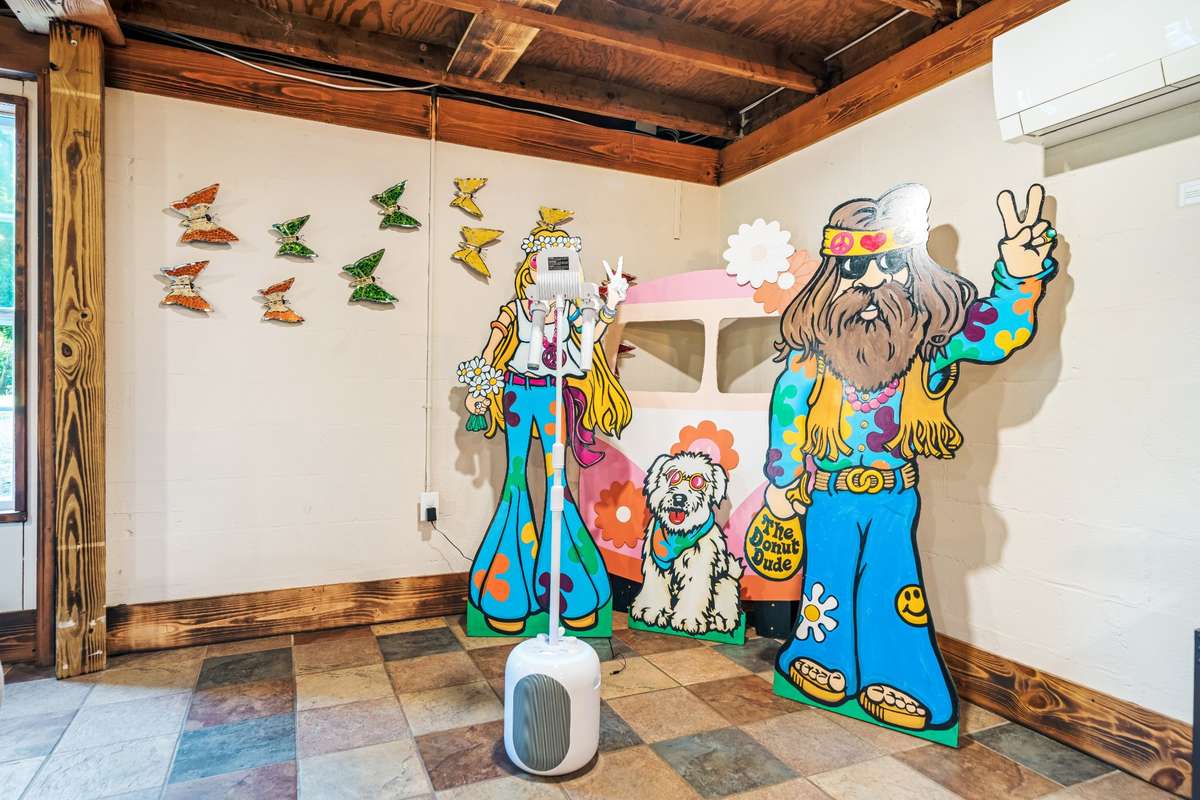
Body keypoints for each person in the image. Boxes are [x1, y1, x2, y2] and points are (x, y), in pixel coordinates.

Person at [764, 183, 1059, 731]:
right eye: (856, 269)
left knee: (893, 586)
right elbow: (789, 411)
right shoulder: (812, 362)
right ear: (833, 279)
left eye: (891, 266)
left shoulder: (928, 349)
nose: (872, 281)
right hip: (825, 495)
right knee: (825, 580)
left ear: (914, 273)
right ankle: (821, 658)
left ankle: (898, 677)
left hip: (894, 495)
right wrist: (781, 482)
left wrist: (1019, 277)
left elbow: (994, 334)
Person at [464, 208, 631, 634]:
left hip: (553, 391)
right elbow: (491, 350)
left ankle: (569, 591)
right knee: (516, 480)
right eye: (546, 265)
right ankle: (508, 592)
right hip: (518, 391)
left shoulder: (569, 311)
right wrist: (479, 389)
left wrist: (610, 304)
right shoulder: (516, 310)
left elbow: (590, 338)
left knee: (559, 483)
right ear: (532, 268)